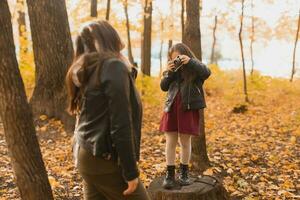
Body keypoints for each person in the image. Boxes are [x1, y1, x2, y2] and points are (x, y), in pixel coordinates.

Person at [66, 20, 150, 200]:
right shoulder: (112, 67)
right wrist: (130, 171)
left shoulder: (88, 68)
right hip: (104, 159)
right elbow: (121, 124)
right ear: (110, 37)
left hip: (86, 154)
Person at [159, 43, 211, 189]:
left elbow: (207, 72)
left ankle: (184, 173)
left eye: (178, 57)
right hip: (171, 108)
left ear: (185, 55)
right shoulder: (172, 71)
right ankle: (169, 174)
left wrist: (191, 62)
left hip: (187, 109)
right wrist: (169, 72)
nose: (176, 61)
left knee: (185, 142)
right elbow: (163, 87)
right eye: (173, 58)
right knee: (170, 141)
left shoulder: (195, 69)